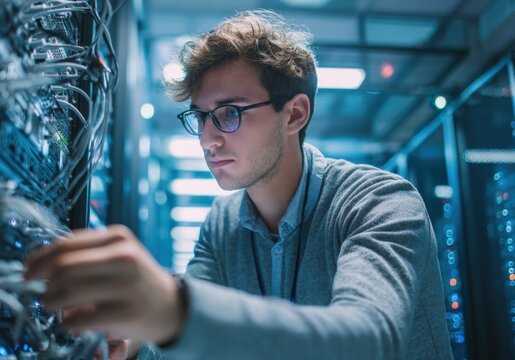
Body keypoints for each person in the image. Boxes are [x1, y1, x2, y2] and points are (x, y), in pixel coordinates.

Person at [24, 9, 454, 360]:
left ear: (295, 114)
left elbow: (369, 341)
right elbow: (185, 343)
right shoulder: (224, 222)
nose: (209, 139)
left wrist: (175, 309)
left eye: (229, 113)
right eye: (200, 117)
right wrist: (133, 339)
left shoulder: (381, 203)